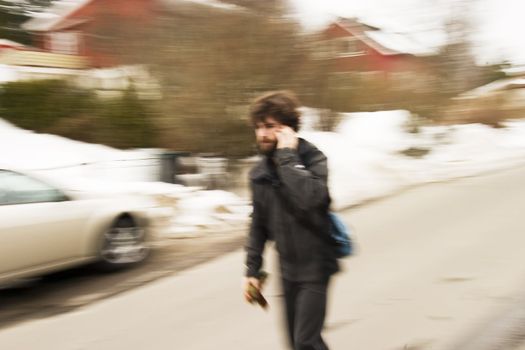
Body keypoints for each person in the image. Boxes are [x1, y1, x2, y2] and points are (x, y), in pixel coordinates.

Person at [243, 90, 339, 350]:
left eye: (270, 127)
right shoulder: (259, 174)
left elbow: (312, 199)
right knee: (295, 344)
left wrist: (287, 157)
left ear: (288, 129)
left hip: (316, 265)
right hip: (288, 269)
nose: (262, 134)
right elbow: (258, 225)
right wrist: (252, 271)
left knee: (306, 341)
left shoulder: (313, 159)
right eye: (258, 127)